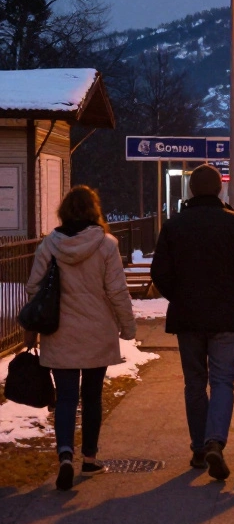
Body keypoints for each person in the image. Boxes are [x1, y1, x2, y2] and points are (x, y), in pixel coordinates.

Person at [151, 164, 234, 481]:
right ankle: (215, 440)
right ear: (220, 190)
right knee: (222, 382)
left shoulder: (174, 226)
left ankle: (199, 449)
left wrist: (181, 295)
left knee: (194, 383)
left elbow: (159, 273)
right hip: (227, 317)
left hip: (188, 318)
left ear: (191, 190)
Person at [24, 186, 135, 491]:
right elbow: (116, 291)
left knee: (66, 397)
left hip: (60, 331)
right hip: (97, 332)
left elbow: (34, 287)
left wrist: (35, 325)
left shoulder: (49, 245)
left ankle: (64, 456)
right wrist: (128, 327)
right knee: (92, 396)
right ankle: (90, 457)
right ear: (93, 210)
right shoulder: (106, 245)